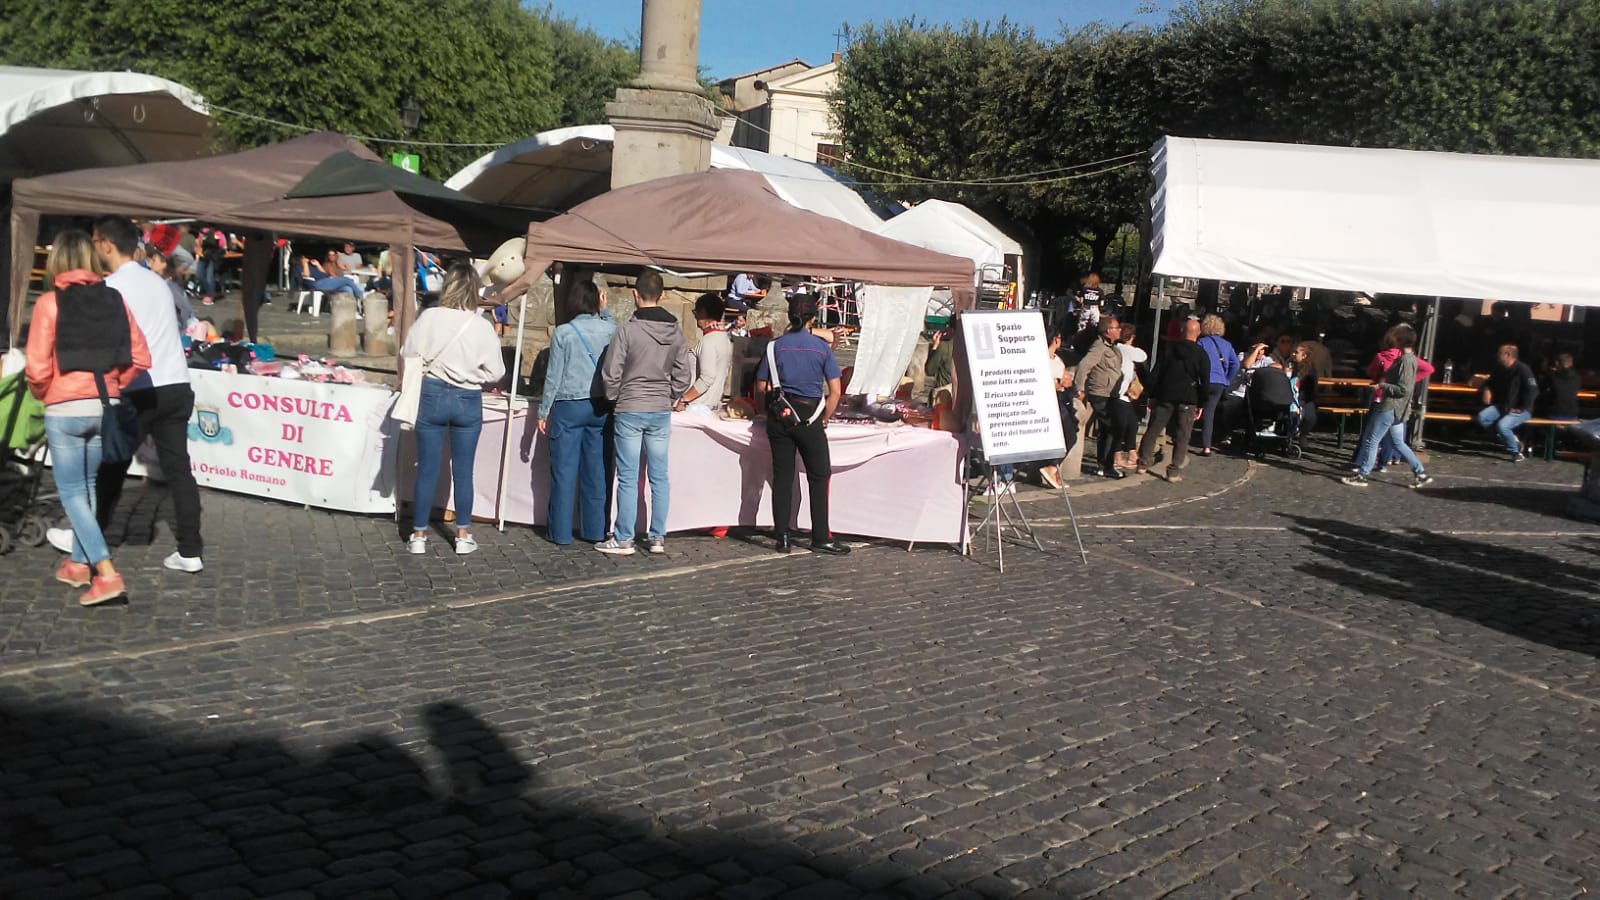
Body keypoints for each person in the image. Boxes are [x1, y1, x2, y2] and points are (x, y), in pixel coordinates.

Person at [26, 230, 152, 606]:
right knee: (88, 488)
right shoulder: (114, 299)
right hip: (104, 405)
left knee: (72, 493)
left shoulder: (49, 303)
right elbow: (141, 357)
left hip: (64, 407)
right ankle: (79, 564)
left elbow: (37, 366)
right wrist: (114, 384)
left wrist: (45, 393)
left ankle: (107, 572)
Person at [74, 216, 206, 573]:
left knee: (112, 465)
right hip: (176, 384)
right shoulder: (158, 283)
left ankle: (86, 542)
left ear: (105, 245)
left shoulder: (111, 287)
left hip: (141, 387)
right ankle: (191, 550)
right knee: (178, 469)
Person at [401, 263, 505, 555]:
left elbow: (407, 352)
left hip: (432, 392)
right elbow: (496, 371)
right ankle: (462, 534)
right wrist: (473, 374)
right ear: (473, 289)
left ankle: (418, 535)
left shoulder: (429, 316)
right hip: (467, 397)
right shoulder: (481, 326)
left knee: (427, 469)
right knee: (463, 471)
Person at [596, 271, 691, 556]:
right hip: (659, 408)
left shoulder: (626, 330)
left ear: (635, 294)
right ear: (663, 295)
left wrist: (616, 396)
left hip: (630, 406)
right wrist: (670, 395)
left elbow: (611, 372)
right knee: (659, 475)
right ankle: (657, 536)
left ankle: (624, 537)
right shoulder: (676, 333)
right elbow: (684, 375)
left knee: (627, 475)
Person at [753, 293, 850, 555]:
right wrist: (825, 417)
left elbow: (761, 387)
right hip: (811, 418)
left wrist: (763, 412)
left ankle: (782, 536)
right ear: (813, 318)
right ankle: (820, 536)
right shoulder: (821, 348)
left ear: (789, 316)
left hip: (780, 417)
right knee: (819, 476)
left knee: (782, 477)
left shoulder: (773, 347)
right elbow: (835, 391)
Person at [538, 280, 616, 546]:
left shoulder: (563, 332)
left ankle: (560, 533)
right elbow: (616, 333)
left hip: (569, 405)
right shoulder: (610, 329)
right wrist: (605, 311)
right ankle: (595, 530)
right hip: (600, 405)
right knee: (597, 472)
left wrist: (543, 410)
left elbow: (554, 376)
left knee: (564, 471)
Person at [1342, 324, 1432, 488]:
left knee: (1372, 440)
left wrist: (1382, 386)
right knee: (1398, 443)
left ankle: (1363, 475)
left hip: (1391, 406)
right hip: (1399, 408)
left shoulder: (1405, 360)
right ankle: (1420, 473)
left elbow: (1403, 389)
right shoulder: (1410, 359)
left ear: (1400, 339)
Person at [1136, 316, 1209, 483]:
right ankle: (1173, 471)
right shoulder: (1201, 354)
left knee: (1153, 430)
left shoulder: (1169, 349)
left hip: (1166, 395)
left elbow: (1156, 374)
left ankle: (1143, 463)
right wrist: (1202, 403)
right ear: (1198, 333)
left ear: (1182, 332)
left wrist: (1151, 395)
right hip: (1188, 397)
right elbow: (1205, 380)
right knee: (1183, 435)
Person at [1072, 316, 1126, 479]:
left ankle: (1103, 465)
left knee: (1107, 429)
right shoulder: (1099, 346)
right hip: (1100, 393)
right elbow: (1084, 366)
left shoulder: (1113, 347)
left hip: (1111, 393)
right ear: (1108, 331)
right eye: (1117, 327)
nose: (1120, 330)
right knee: (1113, 427)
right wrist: (1079, 388)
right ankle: (1106, 465)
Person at [1476, 343, 1539, 461]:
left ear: (1508, 355)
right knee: (1482, 418)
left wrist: (1522, 407)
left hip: (1521, 409)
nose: (1497, 355)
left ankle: (1515, 452)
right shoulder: (1499, 368)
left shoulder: (1523, 369)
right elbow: (1489, 382)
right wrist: (1487, 389)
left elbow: (1533, 390)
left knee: (1502, 426)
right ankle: (1513, 441)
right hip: (1503, 405)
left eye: (1499, 353)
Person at [676, 294, 732, 414]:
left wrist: (684, 399)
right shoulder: (724, 339)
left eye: (696, 311)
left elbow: (707, 377)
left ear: (703, 312)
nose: (695, 315)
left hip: (696, 408)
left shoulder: (708, 341)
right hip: (711, 406)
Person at [1196, 314, 1238, 456]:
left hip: (1204, 381)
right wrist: (1227, 379)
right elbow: (1235, 364)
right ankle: (1207, 446)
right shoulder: (1227, 344)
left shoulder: (1201, 342)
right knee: (1209, 413)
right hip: (1219, 382)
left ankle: (1184, 438)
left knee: (1194, 409)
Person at [1111, 322, 1148, 470]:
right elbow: (1143, 356)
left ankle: (1132, 453)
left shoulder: (1116, 348)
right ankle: (1117, 456)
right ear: (1131, 337)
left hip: (1123, 393)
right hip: (1119, 393)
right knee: (1121, 426)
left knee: (1132, 422)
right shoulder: (1125, 349)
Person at [147, 252, 194, 329]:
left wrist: (182, 329)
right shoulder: (160, 281)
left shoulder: (171, 285)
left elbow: (185, 309)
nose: (151, 263)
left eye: (154, 260)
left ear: (164, 264)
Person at [1544, 352, 1581, 422]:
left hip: (1554, 414)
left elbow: (1541, 388)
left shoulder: (1552, 376)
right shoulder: (1577, 377)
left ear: (1557, 363)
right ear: (1571, 363)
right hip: (1572, 414)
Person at [924, 326, 954, 403]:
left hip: (943, 396)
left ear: (951, 329)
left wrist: (935, 346)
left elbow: (930, 370)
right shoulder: (971, 348)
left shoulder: (945, 347)